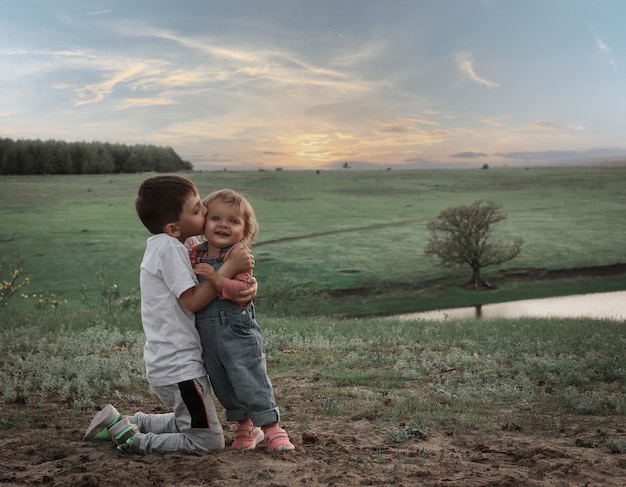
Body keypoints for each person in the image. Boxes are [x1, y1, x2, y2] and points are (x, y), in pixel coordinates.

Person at [84, 175, 257, 455]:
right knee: (208, 441)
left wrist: (247, 283)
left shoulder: (175, 244)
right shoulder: (169, 250)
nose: (205, 212)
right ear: (174, 227)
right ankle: (133, 440)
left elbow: (215, 263)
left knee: (189, 421)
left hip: (172, 363)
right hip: (180, 367)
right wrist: (225, 272)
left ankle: (126, 421)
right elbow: (191, 301)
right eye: (197, 209)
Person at [190, 188, 295, 452]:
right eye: (216, 218)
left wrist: (217, 279)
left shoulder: (239, 255)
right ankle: (246, 425)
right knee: (222, 381)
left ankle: (272, 428)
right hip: (207, 334)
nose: (223, 224)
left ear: (245, 231)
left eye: (233, 221)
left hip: (236, 329)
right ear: (204, 222)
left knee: (249, 375)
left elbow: (242, 291)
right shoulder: (196, 252)